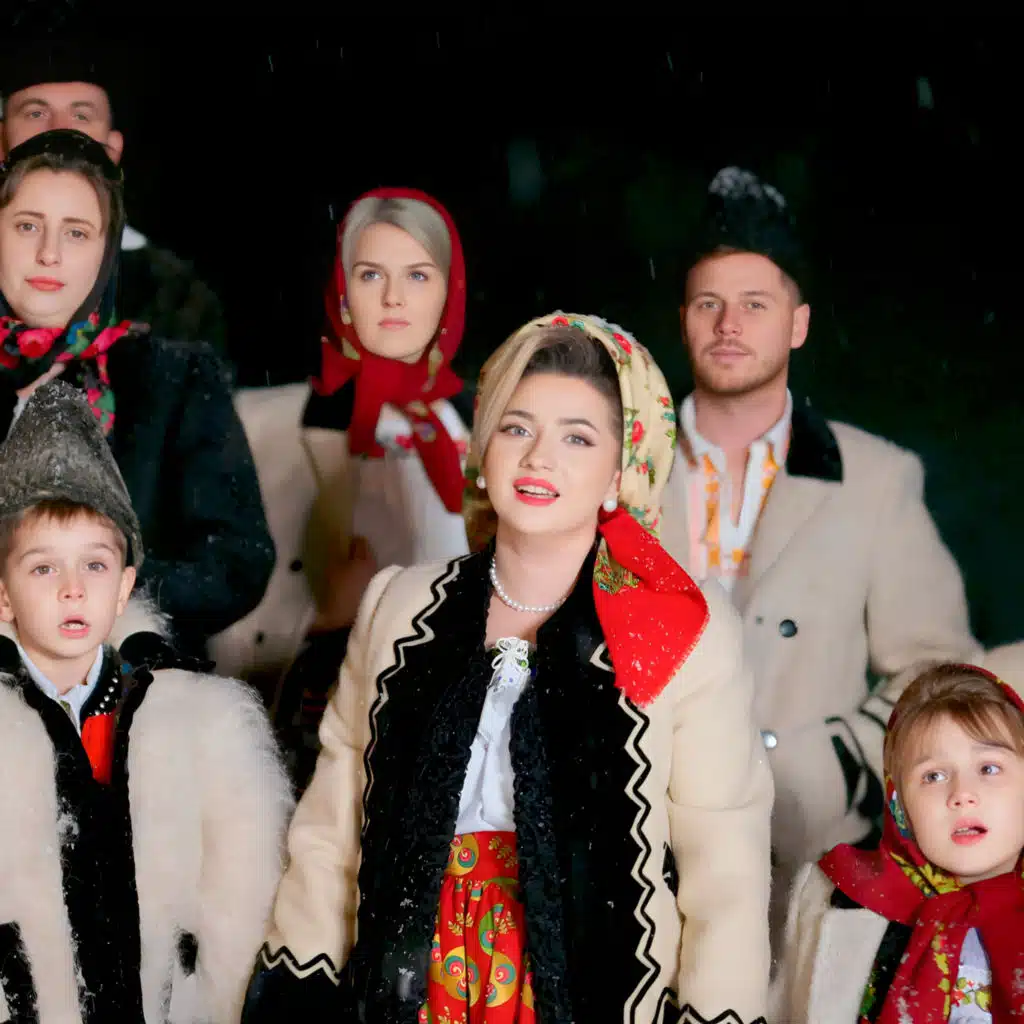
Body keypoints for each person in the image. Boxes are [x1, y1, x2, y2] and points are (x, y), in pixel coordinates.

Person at [242, 312, 773, 1024]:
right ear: (484, 450)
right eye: (517, 428)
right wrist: (296, 992)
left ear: (619, 475)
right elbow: (330, 834)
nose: (538, 458)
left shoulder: (681, 629)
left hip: (588, 996)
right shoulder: (400, 606)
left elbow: (726, 872)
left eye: (577, 438)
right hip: (408, 982)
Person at [658, 167, 980, 945]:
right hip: (642, 841)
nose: (729, 323)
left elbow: (938, 670)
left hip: (805, 861)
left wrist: (834, 763)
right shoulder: (619, 462)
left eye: (755, 303)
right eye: (708, 303)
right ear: (683, 321)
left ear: (797, 324)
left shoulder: (873, 478)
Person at [0, 380, 292, 1022]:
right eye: (44, 568)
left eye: (95, 566)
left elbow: (241, 906)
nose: (73, 589)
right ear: (3, 594)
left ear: (126, 585)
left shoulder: (204, 724)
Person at [209, 188, 470, 759]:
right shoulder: (259, 426)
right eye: (371, 274)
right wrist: (327, 620)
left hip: (461, 734)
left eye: (418, 276)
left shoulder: (485, 423)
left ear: (449, 292)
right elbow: (220, 618)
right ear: (343, 292)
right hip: (320, 732)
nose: (394, 297)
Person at [0, 128, 274, 655]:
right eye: (27, 226)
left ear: (107, 251)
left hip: (135, 674)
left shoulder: (173, 377)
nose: (49, 253)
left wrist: (91, 583)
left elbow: (236, 564)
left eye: (76, 232)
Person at [774, 662, 1024, 1022]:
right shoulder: (836, 897)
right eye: (933, 776)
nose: (962, 794)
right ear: (900, 803)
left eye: (989, 768)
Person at [0, 42, 228, 351]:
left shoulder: (174, 294)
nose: (59, 131)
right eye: (36, 113)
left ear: (113, 148)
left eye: (81, 115)